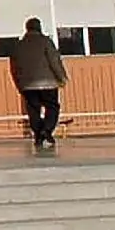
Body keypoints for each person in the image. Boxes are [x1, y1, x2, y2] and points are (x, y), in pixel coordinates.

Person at [10, 16, 69, 149]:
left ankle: (38, 134)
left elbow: (14, 67)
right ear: (39, 27)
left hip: (27, 85)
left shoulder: (19, 45)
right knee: (52, 107)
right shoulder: (46, 42)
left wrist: (19, 84)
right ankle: (46, 130)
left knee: (33, 109)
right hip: (48, 83)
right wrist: (62, 77)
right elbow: (54, 61)